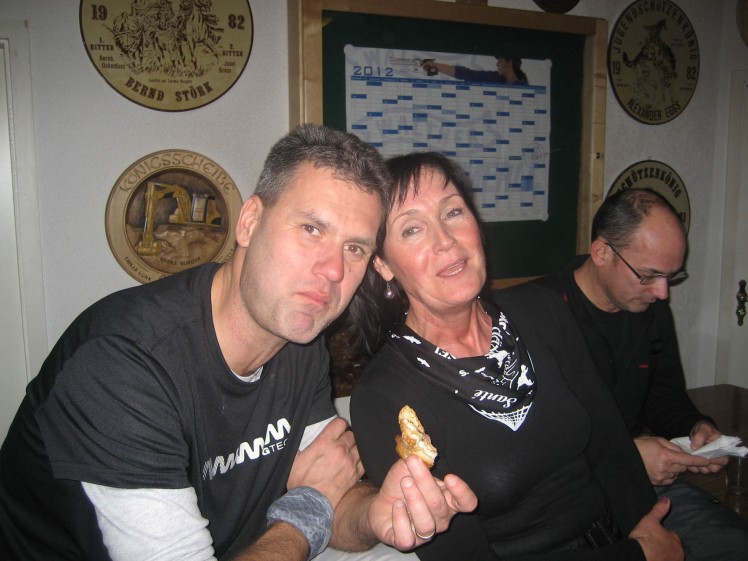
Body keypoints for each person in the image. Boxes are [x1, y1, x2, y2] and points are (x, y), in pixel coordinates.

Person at [0, 125, 477, 561]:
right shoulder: (123, 362)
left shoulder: (298, 343)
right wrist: (306, 509)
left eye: (355, 248)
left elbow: (334, 493)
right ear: (249, 221)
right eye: (311, 229)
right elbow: (316, 502)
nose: (334, 270)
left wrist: (375, 513)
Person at [346, 152, 684, 561]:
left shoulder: (543, 310)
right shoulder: (383, 397)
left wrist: (648, 528)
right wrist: (637, 556)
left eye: (453, 212)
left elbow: (609, 443)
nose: (446, 240)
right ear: (382, 264)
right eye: (412, 229)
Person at [519, 188, 748, 560]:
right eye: (649, 275)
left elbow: (663, 394)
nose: (662, 293)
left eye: (671, 276)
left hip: (637, 483)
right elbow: (527, 444)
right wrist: (625, 456)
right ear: (602, 253)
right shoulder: (533, 316)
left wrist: (695, 426)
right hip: (564, 496)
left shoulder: (650, 308)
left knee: (735, 544)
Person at [420, 55, 528, 85]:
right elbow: (468, 75)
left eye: (500, 60)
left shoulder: (524, 88)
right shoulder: (495, 78)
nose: (497, 64)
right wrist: (436, 66)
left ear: (510, 62)